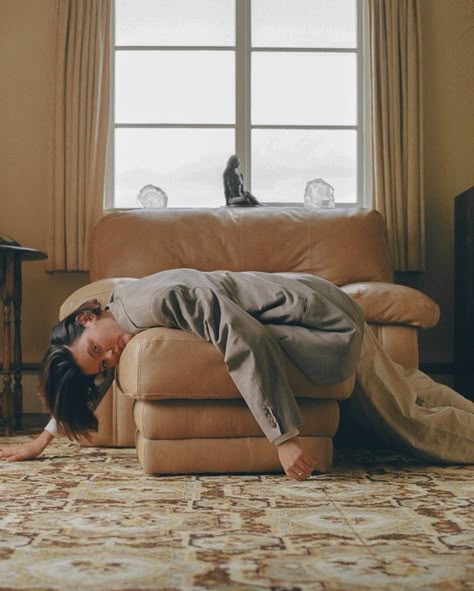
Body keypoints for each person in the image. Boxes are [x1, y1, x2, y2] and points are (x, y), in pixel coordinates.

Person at [1, 269, 473, 477]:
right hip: (319, 298)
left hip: (323, 318)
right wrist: (46, 436)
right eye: (102, 364)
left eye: (100, 350)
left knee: (408, 424)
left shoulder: (154, 302)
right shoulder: (119, 313)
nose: (110, 361)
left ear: (87, 317)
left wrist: (285, 437)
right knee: (413, 391)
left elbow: (245, 338)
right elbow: (94, 368)